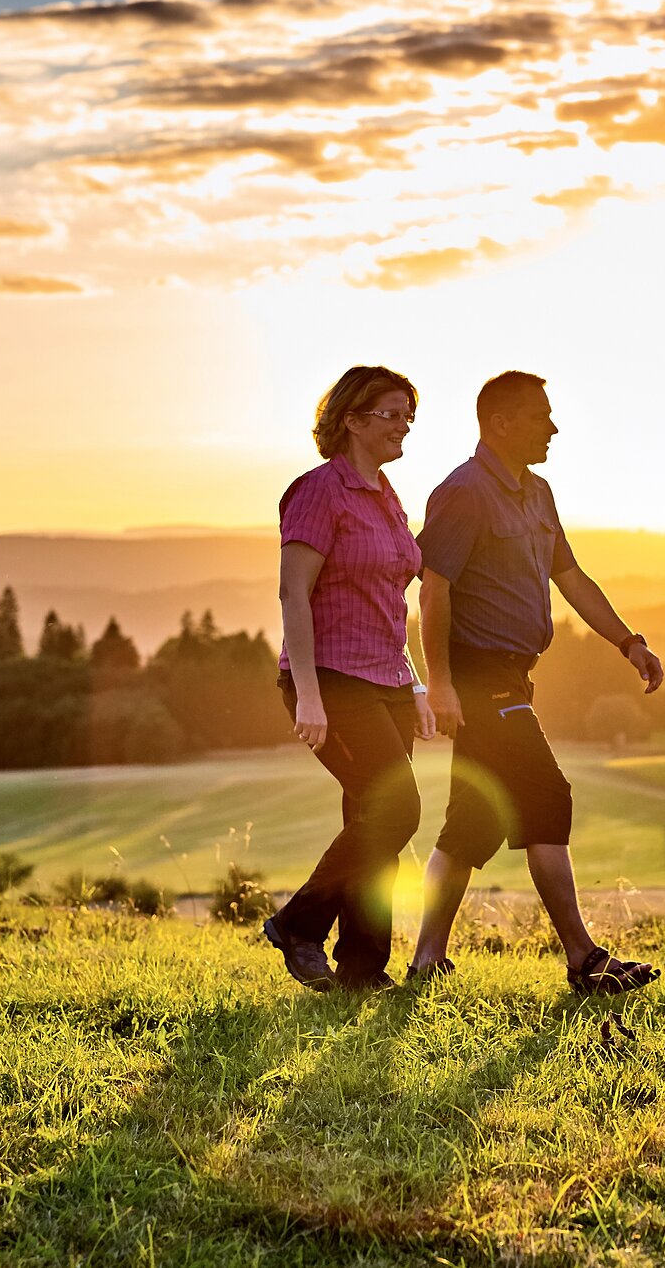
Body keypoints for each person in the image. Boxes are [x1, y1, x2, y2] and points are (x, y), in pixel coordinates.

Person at [407, 371, 665, 993]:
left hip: (516, 676)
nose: (553, 427)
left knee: (474, 820)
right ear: (498, 423)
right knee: (547, 795)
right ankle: (583, 958)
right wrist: (439, 683)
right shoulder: (462, 493)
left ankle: (425, 963)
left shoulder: (539, 492)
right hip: (478, 674)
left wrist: (630, 642)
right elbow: (434, 588)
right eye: (539, 416)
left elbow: (570, 578)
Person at [260, 364, 436, 993]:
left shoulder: (387, 497)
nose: (404, 426)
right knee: (397, 807)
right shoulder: (318, 492)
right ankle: (299, 924)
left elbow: (391, 601)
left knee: (372, 816)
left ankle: (362, 969)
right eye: (391, 413)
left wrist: (412, 681)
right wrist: (307, 691)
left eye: (408, 415)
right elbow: (293, 594)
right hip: (331, 678)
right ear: (352, 419)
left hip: (385, 680)